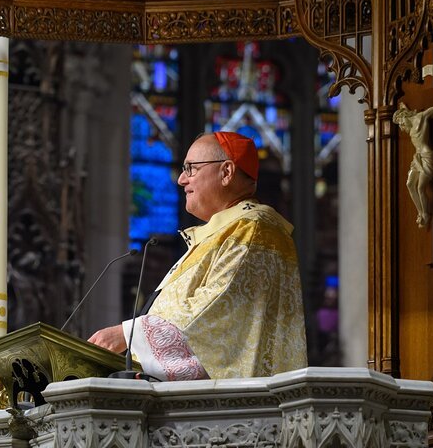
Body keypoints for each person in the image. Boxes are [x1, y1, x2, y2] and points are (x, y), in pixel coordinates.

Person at [88, 132, 307, 381]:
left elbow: (215, 310)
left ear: (226, 172)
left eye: (191, 168)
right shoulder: (221, 233)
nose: (181, 179)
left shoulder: (254, 229)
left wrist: (128, 335)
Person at [392, 86, 433, 228]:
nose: (402, 127)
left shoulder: (422, 118)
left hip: (426, 156)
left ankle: (426, 214)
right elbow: (407, 116)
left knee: (420, 188)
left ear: (405, 117)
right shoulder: (409, 121)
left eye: (401, 123)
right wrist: (404, 107)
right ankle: (420, 212)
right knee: (409, 184)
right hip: (417, 157)